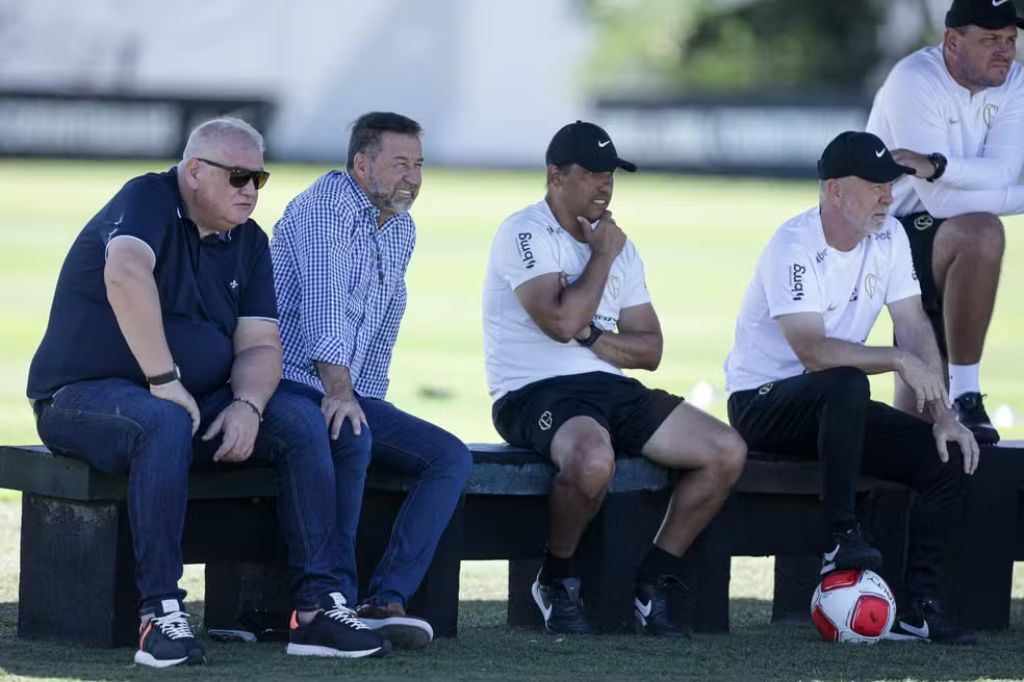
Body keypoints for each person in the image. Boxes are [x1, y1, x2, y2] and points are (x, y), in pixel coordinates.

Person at [26, 118, 391, 668]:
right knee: (162, 422)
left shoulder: (249, 241)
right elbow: (125, 274)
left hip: (193, 402)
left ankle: (316, 609)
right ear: (194, 172)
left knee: (297, 418)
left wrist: (247, 405)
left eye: (259, 179)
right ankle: (160, 614)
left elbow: (262, 346)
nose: (250, 191)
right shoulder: (149, 197)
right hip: (84, 398)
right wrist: (165, 381)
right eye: (239, 177)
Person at [482, 120, 747, 637]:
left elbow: (649, 349)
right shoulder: (525, 232)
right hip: (533, 389)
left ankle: (656, 575)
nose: (605, 185)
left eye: (611, 175)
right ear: (555, 176)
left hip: (610, 386)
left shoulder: (622, 246)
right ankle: (556, 577)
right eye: (593, 174)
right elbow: (558, 322)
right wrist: (601, 257)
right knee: (592, 459)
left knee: (725, 450)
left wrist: (594, 339)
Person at [723, 130, 981, 645]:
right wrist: (897, 360)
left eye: (891, 185)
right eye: (876, 186)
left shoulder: (890, 237)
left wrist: (946, 416)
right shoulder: (793, 246)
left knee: (946, 457)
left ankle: (920, 609)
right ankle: (840, 538)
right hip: (762, 403)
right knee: (843, 383)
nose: (889, 196)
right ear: (835, 191)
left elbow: (911, 324)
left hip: (836, 405)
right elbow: (813, 352)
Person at [270, 111, 471, 650]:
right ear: (361, 164)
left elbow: (383, 326)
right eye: (399, 163)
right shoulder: (323, 210)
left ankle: (384, 601)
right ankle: (329, 603)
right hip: (286, 381)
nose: (413, 177)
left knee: (450, 457)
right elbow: (324, 306)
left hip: (344, 387)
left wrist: (363, 398)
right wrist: (341, 394)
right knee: (351, 434)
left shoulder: (401, 229)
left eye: (419, 165)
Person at [865, 0, 1024, 444]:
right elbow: (937, 203)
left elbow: (1003, 171)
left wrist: (937, 165)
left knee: (917, 427)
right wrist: (944, 178)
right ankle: (967, 394)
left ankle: (948, 409)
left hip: (936, 235)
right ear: (952, 41)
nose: (1005, 52)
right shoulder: (915, 81)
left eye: (1011, 40)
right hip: (886, 232)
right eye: (990, 39)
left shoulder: (1015, 83)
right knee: (982, 231)